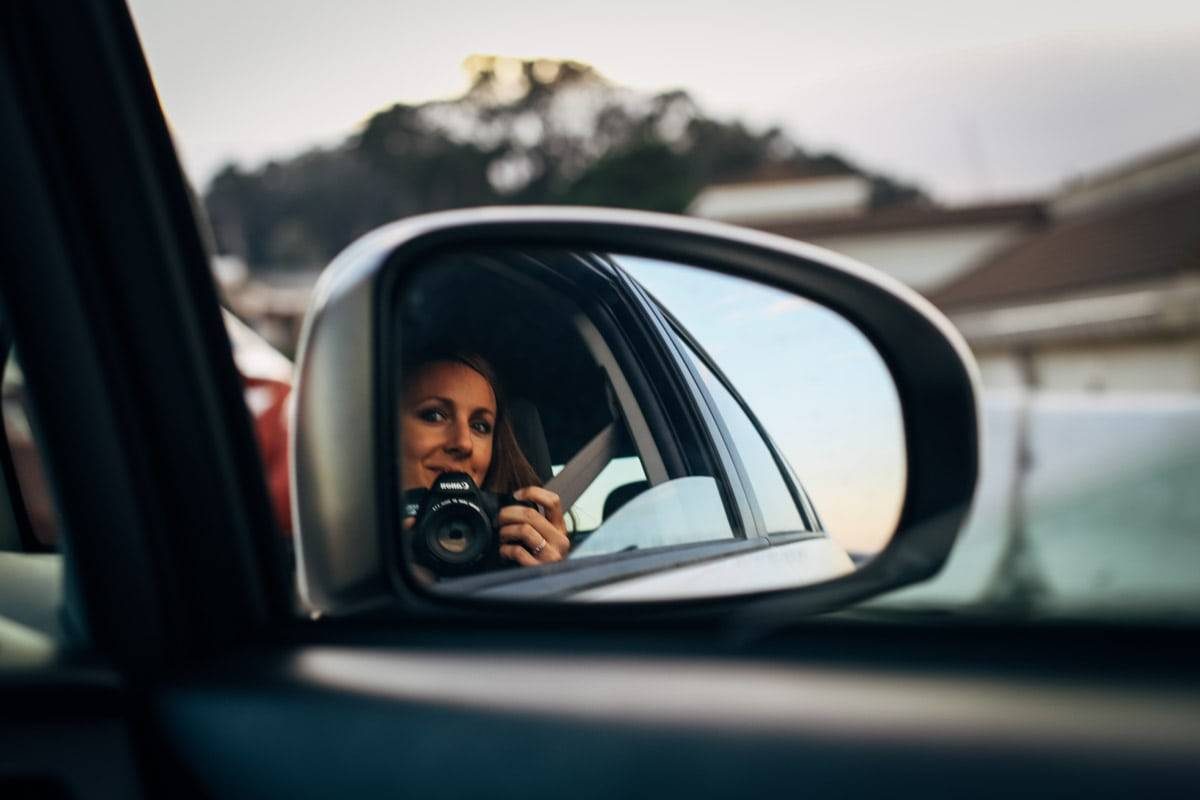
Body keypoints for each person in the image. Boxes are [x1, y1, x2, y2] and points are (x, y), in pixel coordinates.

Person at [399, 351, 570, 566]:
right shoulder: (360, 540)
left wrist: (546, 570)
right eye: (434, 416)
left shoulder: (512, 542)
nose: (464, 443)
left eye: (479, 426)